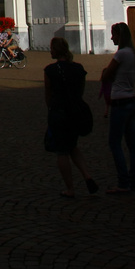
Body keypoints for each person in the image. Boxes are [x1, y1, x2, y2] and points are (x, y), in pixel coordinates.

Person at [44, 37, 98, 198]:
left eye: (52, 48)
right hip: (75, 111)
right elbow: (80, 91)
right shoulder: (79, 69)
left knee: (62, 152)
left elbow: (48, 94)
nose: (50, 51)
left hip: (59, 112)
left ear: (56, 50)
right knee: (72, 146)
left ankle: (70, 188)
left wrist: (51, 109)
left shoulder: (50, 70)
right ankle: (87, 175)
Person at [101, 22, 135, 194]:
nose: (111, 37)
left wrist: (105, 73)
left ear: (120, 36)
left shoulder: (121, 54)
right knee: (133, 145)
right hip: (131, 100)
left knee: (115, 143)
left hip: (120, 102)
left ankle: (123, 182)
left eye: (114, 35)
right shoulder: (133, 54)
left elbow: (106, 75)